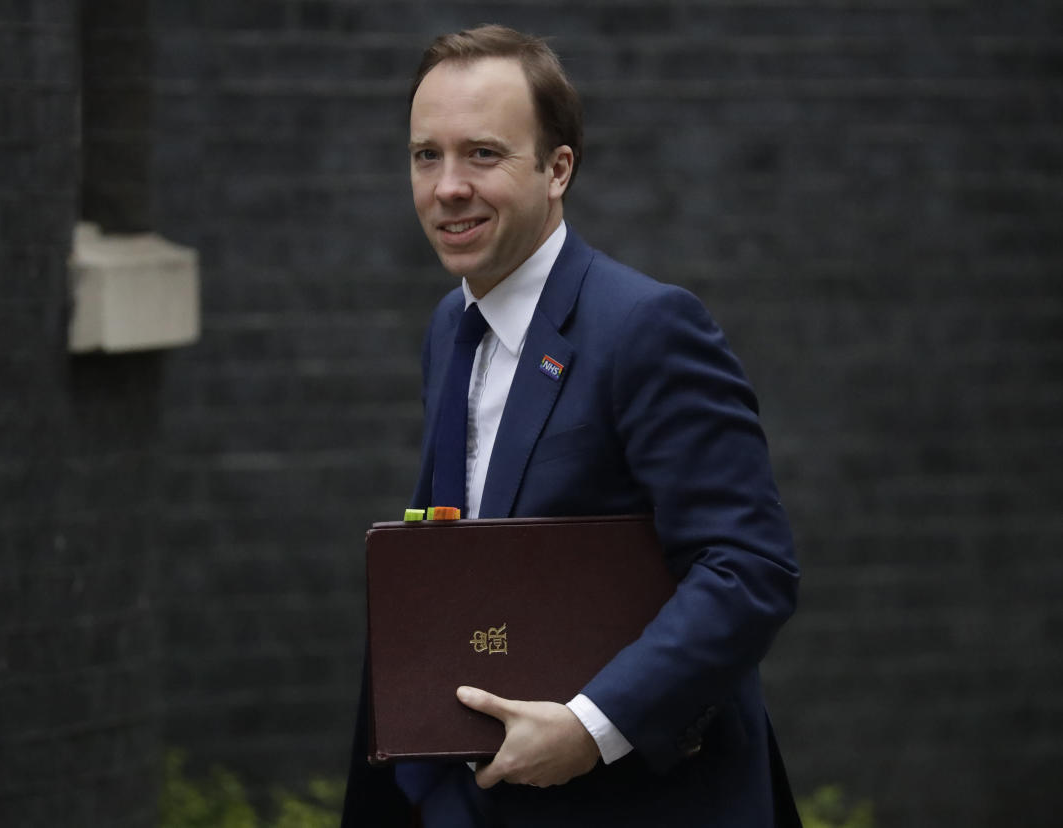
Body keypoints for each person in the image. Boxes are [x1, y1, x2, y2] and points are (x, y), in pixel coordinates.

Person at [343, 24, 800, 827]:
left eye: (483, 154)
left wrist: (592, 727)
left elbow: (747, 568)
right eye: (426, 155)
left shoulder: (649, 329)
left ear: (558, 169)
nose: (447, 186)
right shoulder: (450, 331)